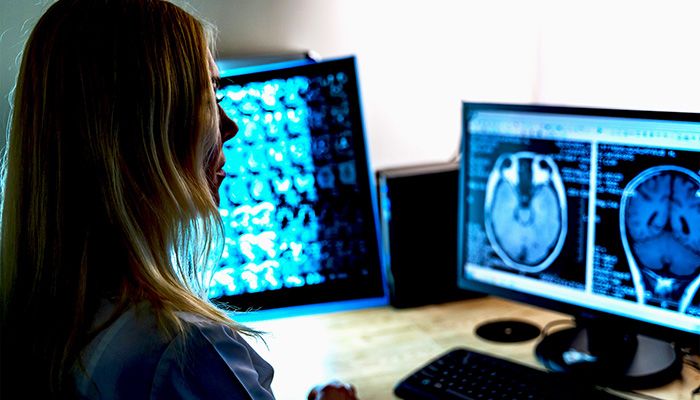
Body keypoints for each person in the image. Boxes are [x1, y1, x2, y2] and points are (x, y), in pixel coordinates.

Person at [0, 0, 358, 398]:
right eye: (211, 97)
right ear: (146, 133)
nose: (231, 126)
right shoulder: (184, 354)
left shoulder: (51, 322)